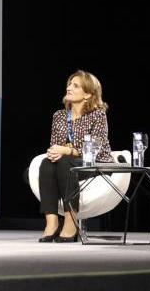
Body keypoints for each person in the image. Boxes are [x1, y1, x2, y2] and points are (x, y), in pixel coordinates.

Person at [38, 70, 113, 243]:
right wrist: (54, 151)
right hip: (68, 161)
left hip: (94, 163)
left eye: (75, 85)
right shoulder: (59, 116)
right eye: (69, 84)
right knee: (46, 163)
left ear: (87, 94)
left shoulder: (98, 115)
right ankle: (52, 223)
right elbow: (55, 144)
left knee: (66, 164)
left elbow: (94, 146)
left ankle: (71, 222)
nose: (69, 87)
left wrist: (67, 151)